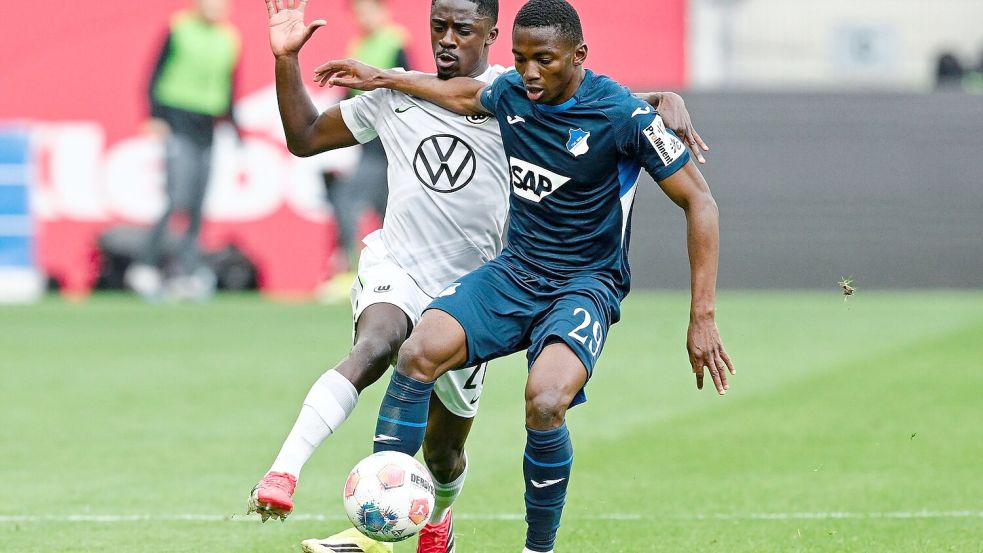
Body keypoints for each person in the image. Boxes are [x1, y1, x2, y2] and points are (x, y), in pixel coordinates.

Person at [250, 1, 708, 552]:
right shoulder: (465, 92)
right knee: (399, 349)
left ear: (490, 35)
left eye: (462, 29)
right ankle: (362, 522)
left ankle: (492, 534)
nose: (447, 39)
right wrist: (360, 72)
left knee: (499, 425)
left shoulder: (557, 98)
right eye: (437, 27)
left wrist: (661, 100)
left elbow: (674, 177)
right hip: (463, 270)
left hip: (548, 280)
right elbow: (321, 132)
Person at [126, 0, 241, 301]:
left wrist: (235, 127)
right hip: (177, 120)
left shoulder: (229, 38)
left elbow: (229, 85)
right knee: (177, 198)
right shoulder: (180, 28)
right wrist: (154, 115)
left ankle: (188, 270)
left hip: (208, 126)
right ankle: (146, 265)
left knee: (198, 204)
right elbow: (156, 72)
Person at [321, 0, 413, 300]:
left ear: (383, 11)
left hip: (387, 143)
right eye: (358, 13)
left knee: (350, 200)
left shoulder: (395, 42)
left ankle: (350, 272)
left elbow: (409, 89)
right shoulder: (358, 44)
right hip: (367, 142)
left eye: (368, 10)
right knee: (383, 209)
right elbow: (348, 97)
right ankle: (381, 275)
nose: (363, 18)